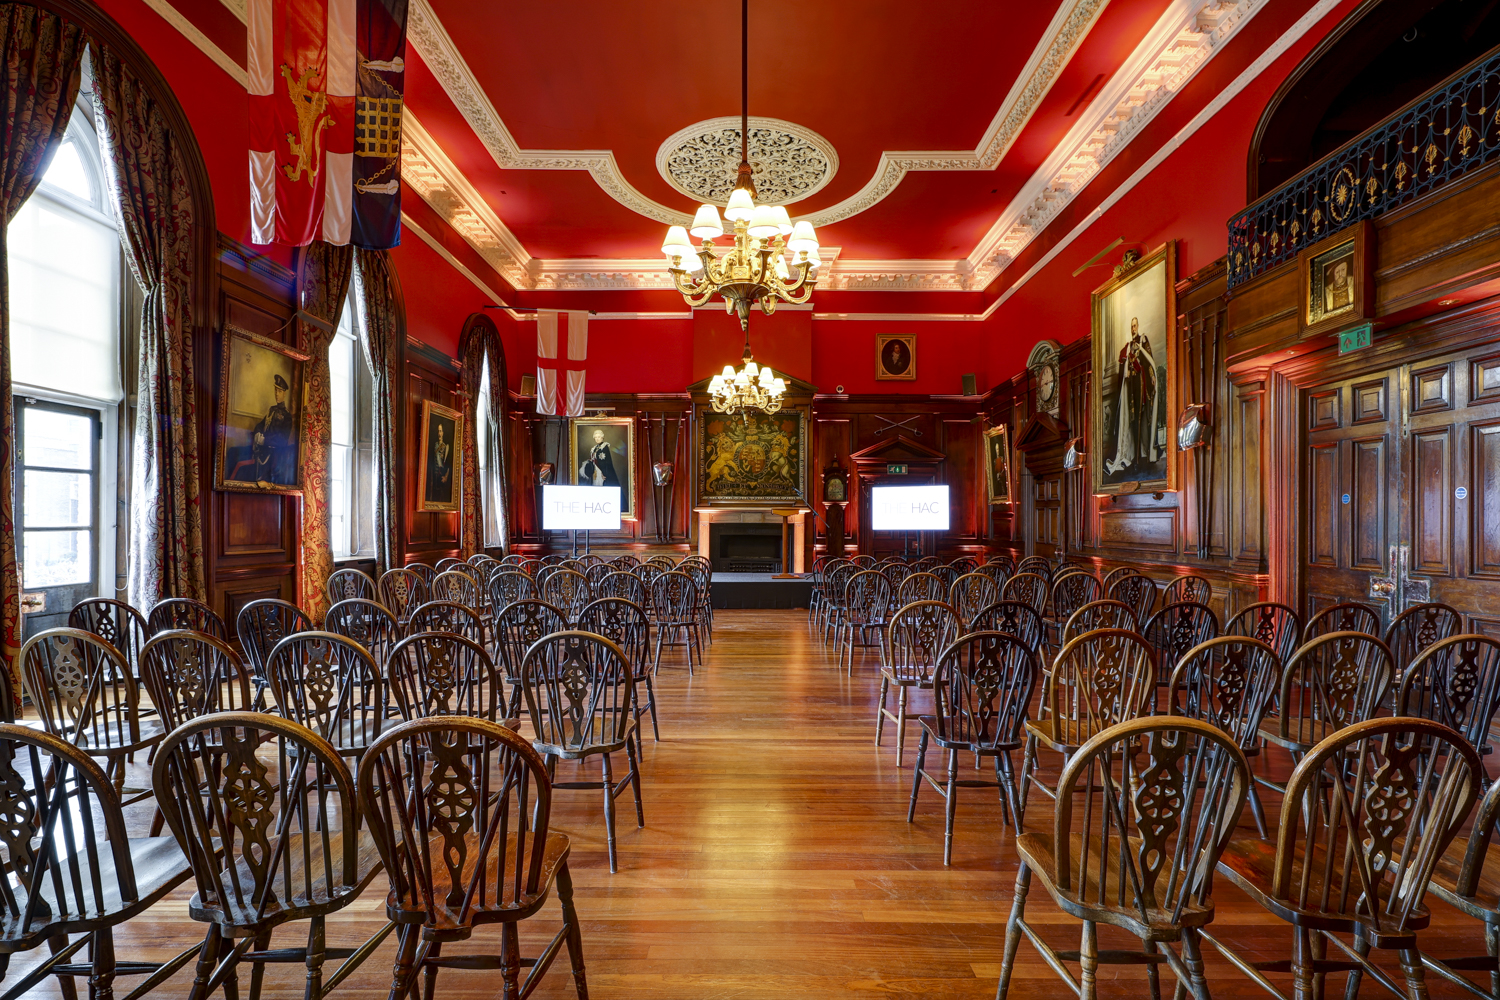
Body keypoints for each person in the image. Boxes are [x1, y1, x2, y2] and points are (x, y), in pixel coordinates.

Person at [1104, 317, 1159, 476]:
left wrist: (1152, 376)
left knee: (1142, 422)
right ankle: (1133, 458)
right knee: (1132, 423)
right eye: (1131, 326)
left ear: (1138, 326)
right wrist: (1125, 368)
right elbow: (1124, 361)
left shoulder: (1142, 341)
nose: (1133, 328)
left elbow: (1149, 361)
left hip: (1141, 387)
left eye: (1135, 325)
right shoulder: (1128, 348)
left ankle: (1141, 458)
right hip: (1131, 389)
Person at [230, 373, 296, 484]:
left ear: (284, 393)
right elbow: (261, 425)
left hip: (273, 454)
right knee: (232, 452)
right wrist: (258, 434)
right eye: (276, 391)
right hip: (261, 449)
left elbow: (283, 439)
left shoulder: (287, 415)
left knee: (239, 462)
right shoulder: (271, 409)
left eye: (279, 391)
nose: (277, 394)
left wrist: (265, 440)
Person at [426, 421, 452, 502]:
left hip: (441, 475)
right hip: (433, 475)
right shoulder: (435, 445)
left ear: (443, 433)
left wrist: (446, 476)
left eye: (440, 431)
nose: (439, 433)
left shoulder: (445, 447)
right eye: (438, 431)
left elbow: (448, 463)